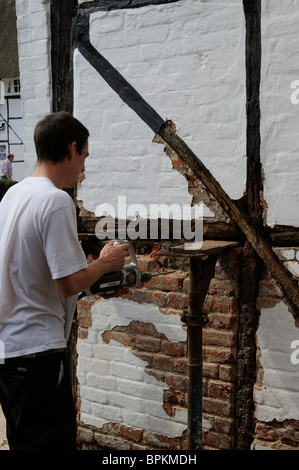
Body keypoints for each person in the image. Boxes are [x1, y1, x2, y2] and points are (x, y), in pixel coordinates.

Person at [0, 111, 129, 450]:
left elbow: (33, 272)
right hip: (37, 355)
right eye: (84, 156)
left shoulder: (13, 195)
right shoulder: (56, 200)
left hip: (8, 352)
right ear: (72, 149)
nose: (84, 167)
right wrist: (105, 263)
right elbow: (69, 283)